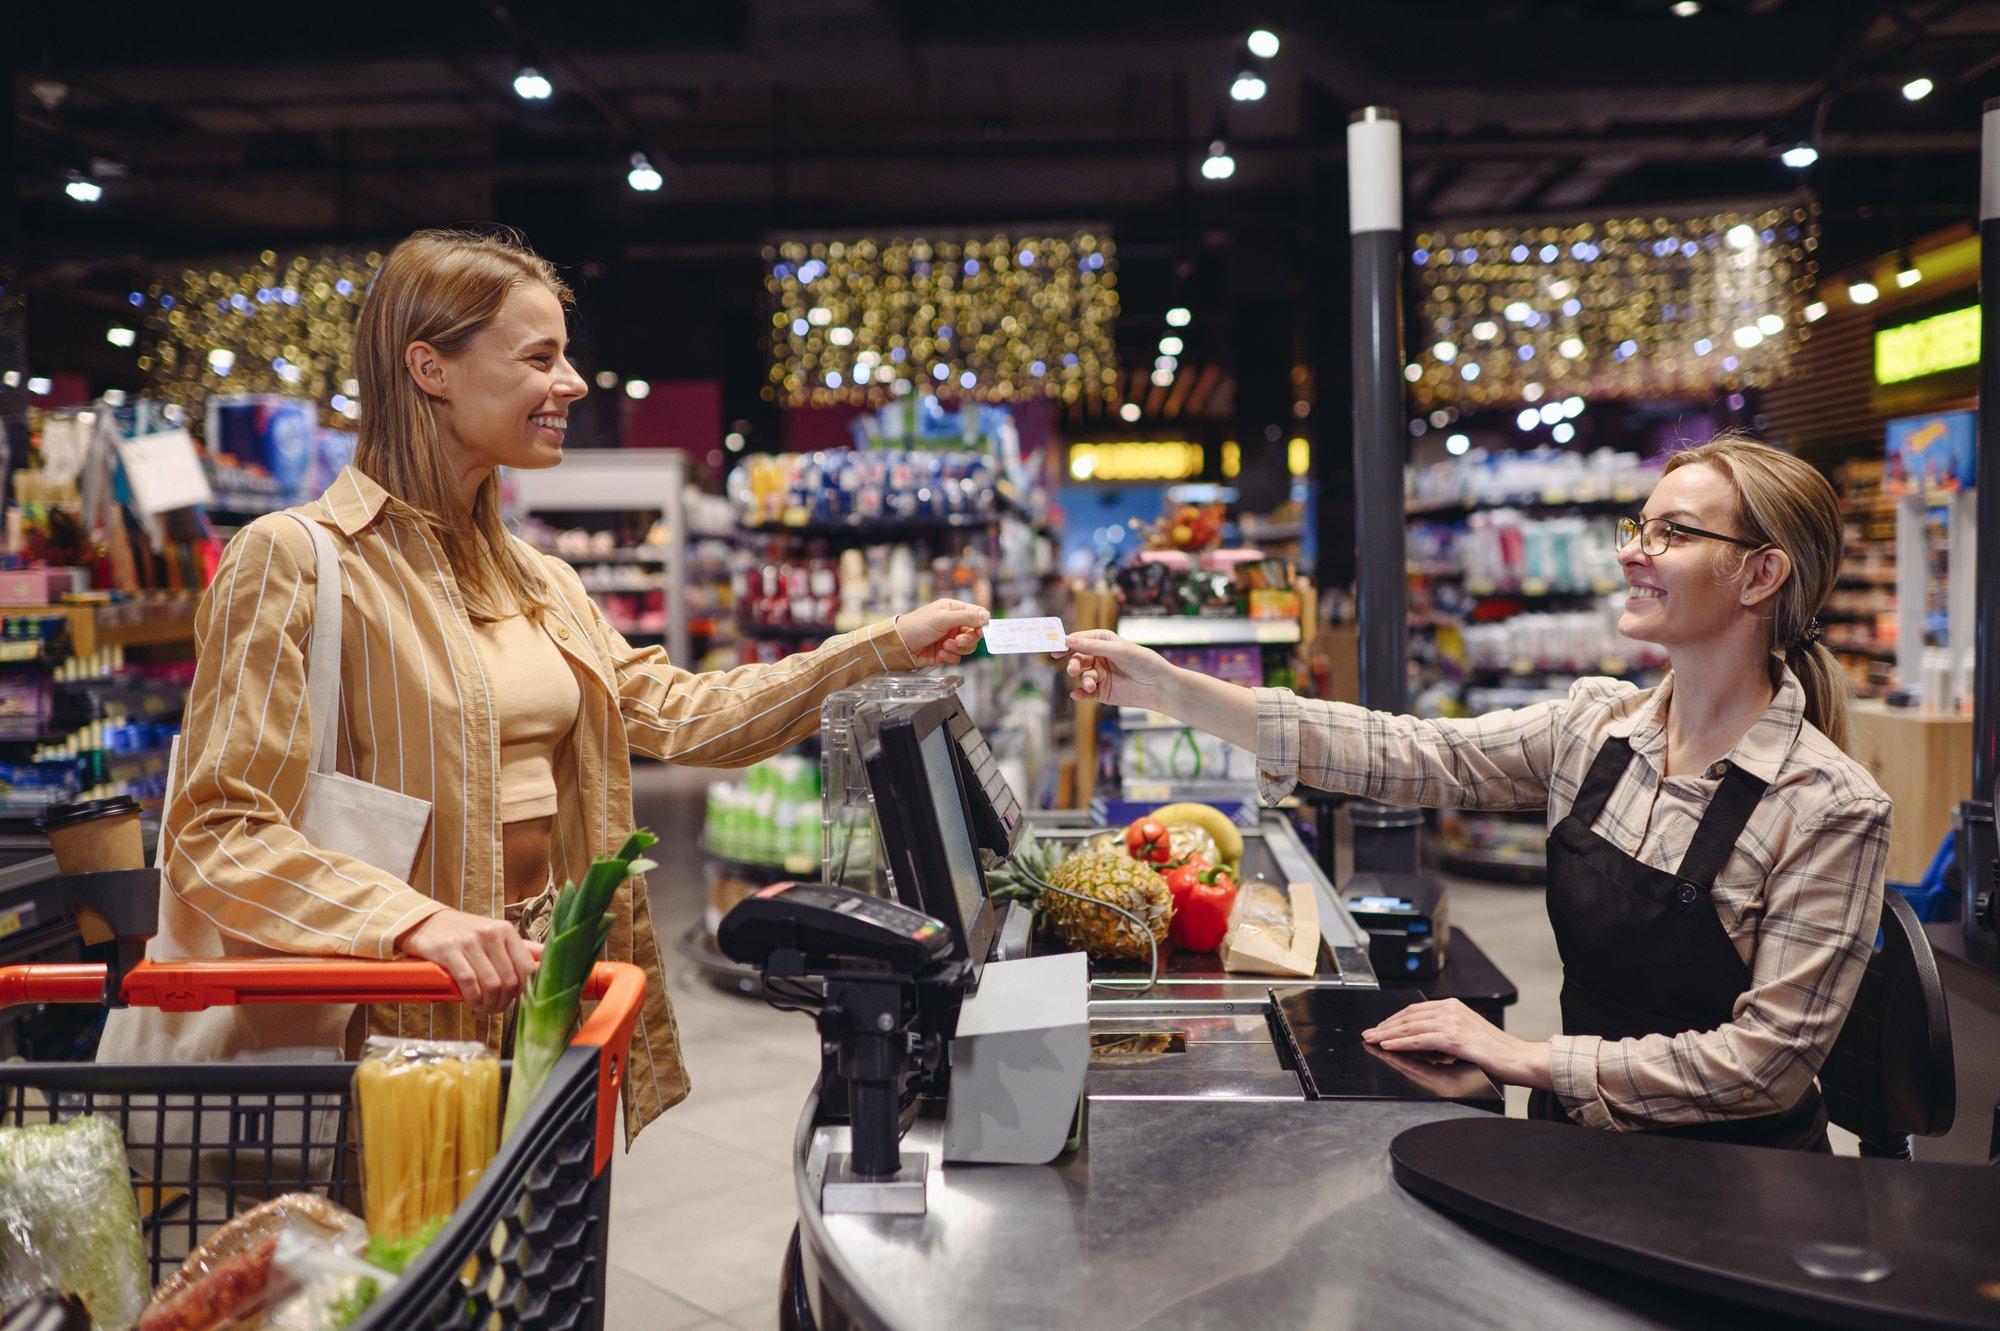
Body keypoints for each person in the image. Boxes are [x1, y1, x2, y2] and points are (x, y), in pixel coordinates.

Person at [162, 228, 988, 1142]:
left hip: (544, 1001)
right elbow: (216, 829)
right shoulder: (295, 561)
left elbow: (681, 713)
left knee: (536, 1271)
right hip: (387, 1026)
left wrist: (884, 646)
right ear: (430, 368)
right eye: (540, 357)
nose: (575, 384)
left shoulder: (541, 580)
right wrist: (411, 921)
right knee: (409, 1268)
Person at [1061, 433, 1889, 1151]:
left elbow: (1765, 1067)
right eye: (1639, 526)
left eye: (1673, 532)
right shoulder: (1596, 728)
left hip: (1736, 1189)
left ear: (1760, 574)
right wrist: (1171, 691)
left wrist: (1524, 1055)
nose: (1633, 549)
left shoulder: (1829, 804)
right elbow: (1410, 752)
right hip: (1582, 1147)